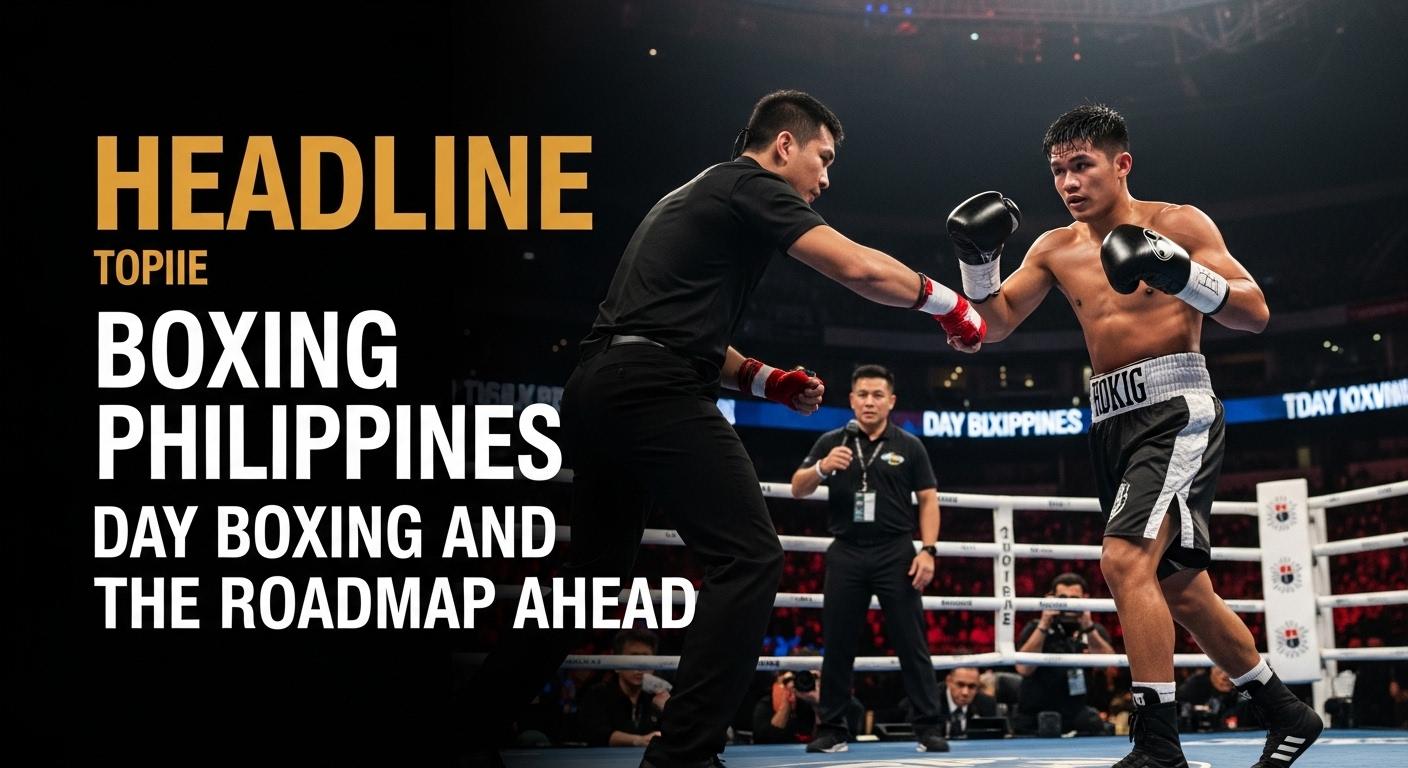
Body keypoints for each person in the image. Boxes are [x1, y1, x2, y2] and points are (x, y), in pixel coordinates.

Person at [462, 89, 985, 768]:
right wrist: (950, 306)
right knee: (749, 556)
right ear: (784, 145)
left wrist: (769, 380)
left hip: (601, 386)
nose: (826, 179)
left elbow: (666, 330)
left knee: (591, 585)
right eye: (822, 159)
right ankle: (684, 753)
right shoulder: (749, 183)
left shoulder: (687, 200)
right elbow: (855, 266)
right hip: (652, 387)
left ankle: (469, 723)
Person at [945, 102, 1322, 767]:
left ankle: (1157, 745)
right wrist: (978, 264)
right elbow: (992, 327)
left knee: (1122, 560)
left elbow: (1255, 311)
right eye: (1058, 171)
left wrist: (1182, 274)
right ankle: (1286, 712)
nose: (1068, 183)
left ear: (1121, 164)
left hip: (1177, 408)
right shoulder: (1053, 248)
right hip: (1110, 421)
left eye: (1082, 166)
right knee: (1180, 589)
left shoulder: (1177, 222)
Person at [790, 364, 949, 753]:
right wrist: (823, 468)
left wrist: (928, 550)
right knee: (838, 642)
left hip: (896, 550)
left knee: (911, 641)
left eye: (878, 395)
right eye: (862, 394)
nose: (869, 402)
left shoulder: (909, 445)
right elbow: (797, 487)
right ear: (851, 400)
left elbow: (928, 499)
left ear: (891, 401)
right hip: (846, 550)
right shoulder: (831, 441)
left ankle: (929, 727)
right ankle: (830, 728)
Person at [1012, 573, 1116, 736]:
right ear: (1051, 598)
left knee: (1094, 723)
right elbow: (1024, 669)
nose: (1068, 603)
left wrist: (1088, 627)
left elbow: (1106, 664)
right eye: (1062, 597)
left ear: (1085, 599)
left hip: (1077, 715)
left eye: (1074, 598)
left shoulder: (1092, 631)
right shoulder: (1035, 628)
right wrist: (1044, 623)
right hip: (1034, 716)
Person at [577, 629, 672, 747]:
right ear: (616, 663)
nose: (640, 666)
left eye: (646, 659)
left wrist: (668, 708)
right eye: (633, 658)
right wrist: (639, 740)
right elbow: (598, 734)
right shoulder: (598, 694)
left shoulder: (658, 697)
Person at [750, 669, 862, 744]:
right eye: (801, 677)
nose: (806, 682)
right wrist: (786, 703)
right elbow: (762, 740)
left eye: (814, 677)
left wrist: (819, 703)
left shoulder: (840, 703)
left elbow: (848, 736)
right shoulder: (769, 702)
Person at [1177, 666, 1259, 732]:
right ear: (1211, 670)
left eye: (1229, 671)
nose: (1225, 677)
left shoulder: (1248, 688)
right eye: (1220, 671)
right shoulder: (1195, 686)